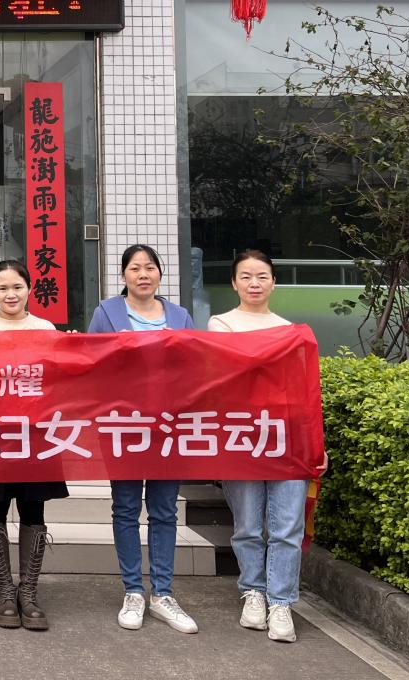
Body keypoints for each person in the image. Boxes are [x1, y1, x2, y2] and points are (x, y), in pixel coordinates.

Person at [88, 243, 199, 634]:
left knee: (165, 510)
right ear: (123, 275)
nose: (143, 274)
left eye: (150, 267)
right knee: (126, 507)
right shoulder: (107, 313)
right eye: (135, 268)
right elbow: (92, 365)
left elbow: (196, 368)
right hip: (124, 426)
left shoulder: (180, 316)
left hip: (170, 426)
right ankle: (133, 591)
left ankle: (163, 594)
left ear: (159, 274)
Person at [209, 248, 313, 643]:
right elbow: (228, 376)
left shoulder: (291, 329)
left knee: (287, 526)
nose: (254, 283)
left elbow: (303, 392)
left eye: (262, 276)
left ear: (274, 283)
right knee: (248, 525)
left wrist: (313, 442)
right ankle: (253, 592)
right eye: (246, 276)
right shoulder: (221, 324)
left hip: (287, 440)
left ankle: (281, 602)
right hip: (241, 438)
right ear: (234, 283)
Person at [0, 259, 66, 630]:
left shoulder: (45, 329)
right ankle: (5, 589)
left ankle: (29, 591)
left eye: (17, 287)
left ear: (30, 288)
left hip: (36, 433)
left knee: (33, 509)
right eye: (3, 288)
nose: (11, 294)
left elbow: (56, 380)